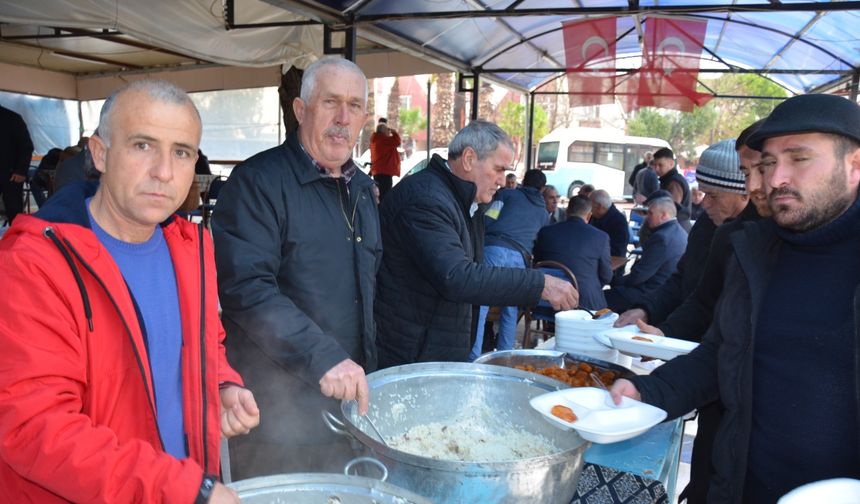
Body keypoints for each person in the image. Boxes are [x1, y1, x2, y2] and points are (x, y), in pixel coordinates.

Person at [0, 79, 259, 503]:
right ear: (100, 153)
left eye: (181, 152)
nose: (163, 171)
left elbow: (203, 341)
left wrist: (222, 384)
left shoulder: (191, 248)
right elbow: (35, 427)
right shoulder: (33, 264)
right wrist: (181, 489)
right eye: (143, 145)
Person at [611, 93, 860, 503]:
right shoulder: (756, 252)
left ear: (853, 166)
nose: (776, 177)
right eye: (766, 163)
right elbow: (723, 353)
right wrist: (650, 392)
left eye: (798, 159)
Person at [212, 57, 381, 478]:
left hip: (346, 405)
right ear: (301, 110)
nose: (343, 118)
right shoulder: (258, 182)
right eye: (330, 102)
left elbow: (371, 287)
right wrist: (324, 356)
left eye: (355, 106)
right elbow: (246, 289)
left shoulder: (361, 188)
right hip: (275, 415)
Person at [375, 120, 578, 368]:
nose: (503, 181)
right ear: (470, 159)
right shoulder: (425, 198)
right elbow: (457, 277)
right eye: (498, 169)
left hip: (430, 347)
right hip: (409, 354)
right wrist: (541, 283)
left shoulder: (465, 201)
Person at [616, 139, 749, 333]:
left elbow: (710, 304)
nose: (705, 204)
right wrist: (646, 310)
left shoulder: (756, 237)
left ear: (744, 193)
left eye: (714, 196)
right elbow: (682, 280)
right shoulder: (706, 225)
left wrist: (667, 332)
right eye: (704, 194)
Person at [469, 168, 549, 360]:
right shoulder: (544, 212)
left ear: (523, 182)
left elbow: (488, 218)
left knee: (481, 306)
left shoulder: (506, 195)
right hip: (520, 258)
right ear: (542, 188)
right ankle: (505, 356)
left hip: (494, 250)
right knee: (510, 309)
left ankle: (473, 357)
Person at [604, 191, 687, 312]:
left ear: (664, 215)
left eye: (650, 213)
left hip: (649, 293)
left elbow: (639, 276)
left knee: (597, 299)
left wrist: (615, 281)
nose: (647, 217)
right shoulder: (680, 232)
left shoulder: (661, 238)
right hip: (664, 290)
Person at [534, 195, 612, 310]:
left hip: (548, 302)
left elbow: (538, 264)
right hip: (585, 303)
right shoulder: (601, 237)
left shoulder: (545, 232)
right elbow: (606, 276)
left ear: (566, 211)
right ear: (589, 215)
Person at [0, 104, 33, 225]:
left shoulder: (12, 118)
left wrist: (21, 170)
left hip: (11, 174)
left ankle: (17, 239)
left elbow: (26, 147)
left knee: (14, 210)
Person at [653, 147, 693, 231]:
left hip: (677, 227)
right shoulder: (669, 180)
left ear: (671, 164)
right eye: (655, 165)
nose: (656, 168)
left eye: (660, 165)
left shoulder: (674, 182)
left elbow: (670, 208)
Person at [589, 189, 629, 259]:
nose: (589, 209)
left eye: (590, 205)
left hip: (612, 263)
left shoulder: (619, 221)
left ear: (599, 207)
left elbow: (618, 251)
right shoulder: (594, 217)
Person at [369, 117, 401, 201]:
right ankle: (383, 212)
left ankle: (379, 211)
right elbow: (397, 142)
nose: (388, 132)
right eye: (387, 129)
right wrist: (394, 133)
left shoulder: (375, 139)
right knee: (385, 194)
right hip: (385, 171)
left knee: (379, 194)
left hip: (378, 170)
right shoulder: (383, 140)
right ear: (383, 131)